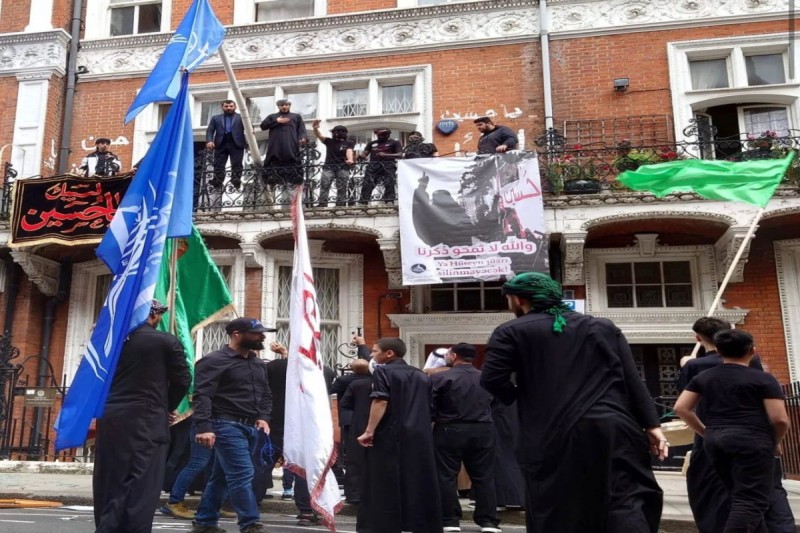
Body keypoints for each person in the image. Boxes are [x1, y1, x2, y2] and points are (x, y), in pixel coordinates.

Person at [480, 272, 667, 533]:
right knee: (625, 497)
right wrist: (652, 424)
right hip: (614, 427)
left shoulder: (511, 331)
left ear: (518, 299)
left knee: (557, 503)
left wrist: (524, 396)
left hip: (551, 431)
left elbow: (491, 379)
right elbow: (631, 378)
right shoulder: (603, 327)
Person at [676, 317, 795, 533]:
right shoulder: (762, 378)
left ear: (719, 350)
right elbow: (780, 419)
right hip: (753, 440)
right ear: (752, 351)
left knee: (734, 494)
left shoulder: (702, 375)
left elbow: (681, 407)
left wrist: (705, 433)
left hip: (715, 440)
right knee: (754, 499)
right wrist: (774, 442)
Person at [93, 299, 191, 533]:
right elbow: (183, 379)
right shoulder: (165, 341)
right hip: (147, 417)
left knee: (110, 479)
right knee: (142, 482)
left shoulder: (107, 340)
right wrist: (167, 407)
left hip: (110, 417)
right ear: (154, 314)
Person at [190, 317, 275, 533]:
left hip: (250, 428)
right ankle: (250, 523)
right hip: (224, 424)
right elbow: (202, 396)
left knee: (220, 477)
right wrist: (204, 427)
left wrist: (263, 416)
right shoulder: (213, 360)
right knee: (242, 472)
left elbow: (266, 393)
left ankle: (204, 523)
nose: (262, 336)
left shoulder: (258, 363)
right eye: (256, 333)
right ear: (236, 334)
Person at [357, 337, 442, 533]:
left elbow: (380, 401)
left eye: (375, 351)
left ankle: (385, 524)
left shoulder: (383, 371)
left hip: (390, 431)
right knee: (417, 478)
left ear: (389, 353)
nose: (372, 355)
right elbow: (430, 406)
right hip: (419, 434)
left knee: (384, 480)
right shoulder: (421, 375)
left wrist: (369, 430)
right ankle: (419, 523)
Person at [262, 340, 335, 526]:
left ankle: (250, 505)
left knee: (263, 465)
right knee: (303, 468)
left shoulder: (273, 367)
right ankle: (306, 511)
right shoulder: (326, 372)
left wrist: (284, 356)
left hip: (275, 422)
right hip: (306, 426)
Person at [431, 343, 500, 533]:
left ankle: (450, 520)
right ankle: (488, 521)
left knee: (446, 476)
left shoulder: (440, 377)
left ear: (454, 356)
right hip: (483, 427)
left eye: (448, 354)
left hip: (449, 427)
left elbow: (431, 405)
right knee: (484, 475)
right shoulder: (486, 378)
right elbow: (496, 403)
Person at [330, 343, 372, 504]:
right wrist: (362, 346)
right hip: (370, 419)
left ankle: (353, 493)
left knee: (351, 455)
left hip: (349, 421)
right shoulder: (373, 380)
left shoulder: (344, 380)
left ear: (352, 369)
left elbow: (331, 390)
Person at [260, 99, 308, 190]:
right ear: (278, 106)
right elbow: (263, 126)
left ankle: (295, 179)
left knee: (293, 158)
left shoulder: (296, 116)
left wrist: (303, 137)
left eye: (286, 105)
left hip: (291, 144)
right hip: (275, 145)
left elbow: (301, 129)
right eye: (282, 105)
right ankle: (272, 179)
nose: (284, 107)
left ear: (289, 105)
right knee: (273, 159)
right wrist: (277, 121)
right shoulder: (272, 116)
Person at [311, 121, 355, 207]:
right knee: (325, 184)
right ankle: (322, 203)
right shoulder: (329, 141)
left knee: (342, 186)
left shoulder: (349, 142)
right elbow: (319, 136)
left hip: (343, 167)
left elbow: (349, 151)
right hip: (328, 167)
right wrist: (315, 128)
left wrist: (350, 159)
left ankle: (340, 204)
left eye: (336, 132)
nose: (336, 134)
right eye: (335, 132)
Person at [206, 100, 247, 189]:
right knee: (218, 164)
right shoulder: (215, 118)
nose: (229, 108)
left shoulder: (242, 117)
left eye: (231, 106)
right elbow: (210, 130)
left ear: (235, 107)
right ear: (222, 107)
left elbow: (249, 128)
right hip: (221, 143)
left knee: (237, 163)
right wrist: (209, 140)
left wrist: (251, 134)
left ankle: (236, 180)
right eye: (226, 106)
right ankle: (217, 182)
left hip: (236, 143)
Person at [358, 128, 403, 204]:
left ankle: (389, 201)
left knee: (389, 182)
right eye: (379, 135)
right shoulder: (371, 143)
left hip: (388, 165)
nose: (380, 136)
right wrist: (362, 155)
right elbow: (365, 153)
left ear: (388, 135)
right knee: (368, 182)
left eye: (383, 135)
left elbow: (400, 155)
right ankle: (363, 202)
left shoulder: (394, 142)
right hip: (373, 165)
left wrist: (386, 155)